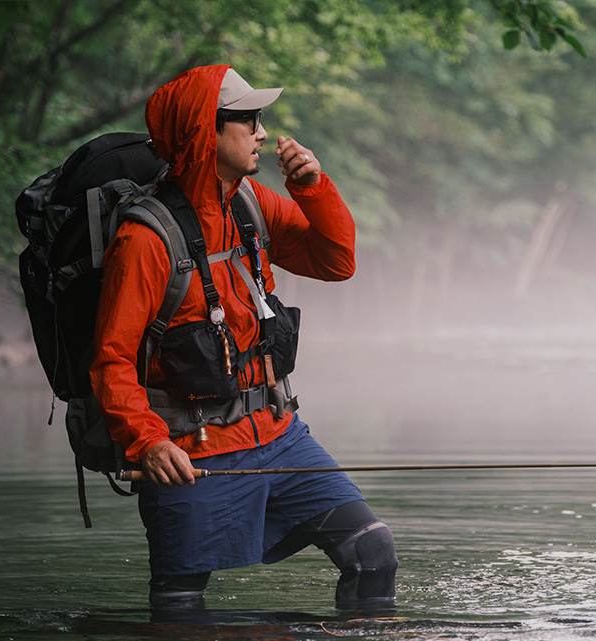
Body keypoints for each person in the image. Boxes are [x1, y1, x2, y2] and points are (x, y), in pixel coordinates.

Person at [90, 64, 397, 610]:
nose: (261, 132)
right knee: (179, 614)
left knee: (372, 552)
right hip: (193, 453)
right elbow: (112, 360)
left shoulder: (251, 204)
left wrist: (311, 189)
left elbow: (337, 262)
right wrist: (148, 442)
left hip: (280, 438)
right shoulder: (144, 240)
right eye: (247, 119)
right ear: (203, 132)